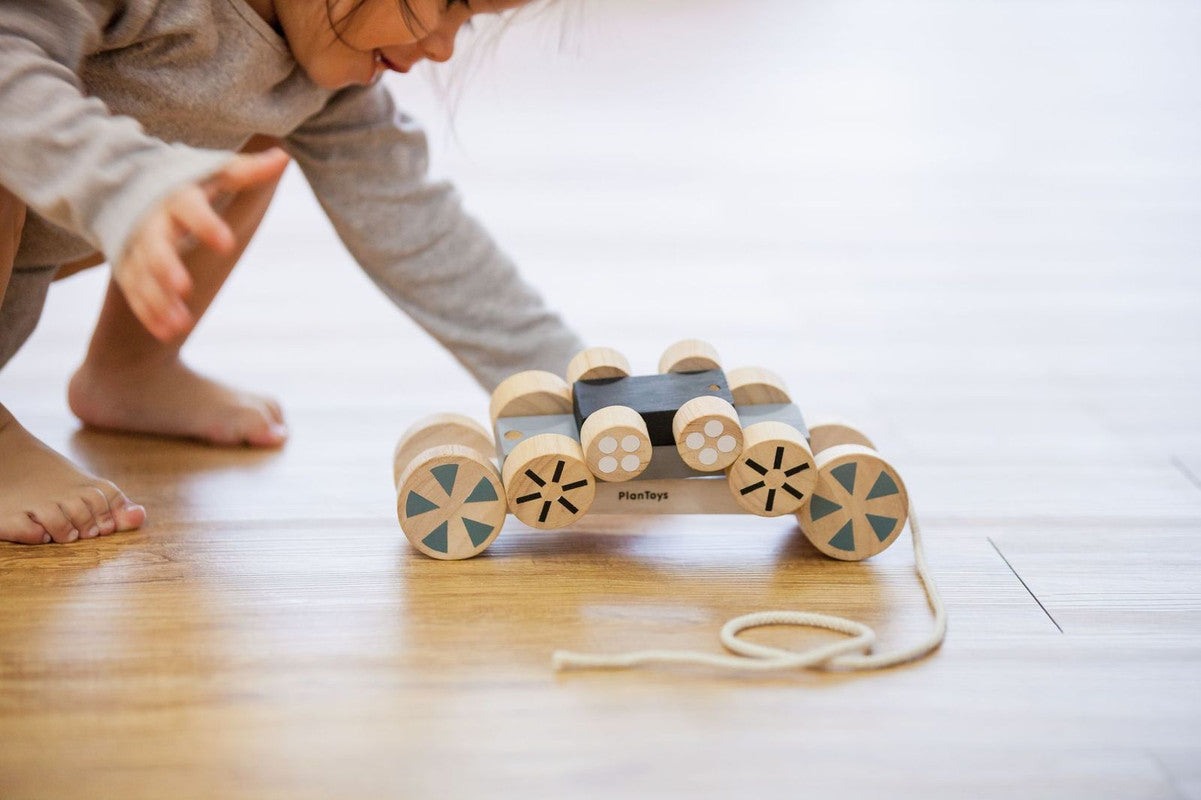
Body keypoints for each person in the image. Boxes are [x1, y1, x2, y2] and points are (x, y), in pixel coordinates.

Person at [0, 0, 584, 545]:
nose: (443, 49)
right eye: (448, 4)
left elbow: (417, 227)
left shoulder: (315, 73)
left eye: (469, 22)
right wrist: (119, 180)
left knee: (259, 148)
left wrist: (575, 396)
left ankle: (131, 370)